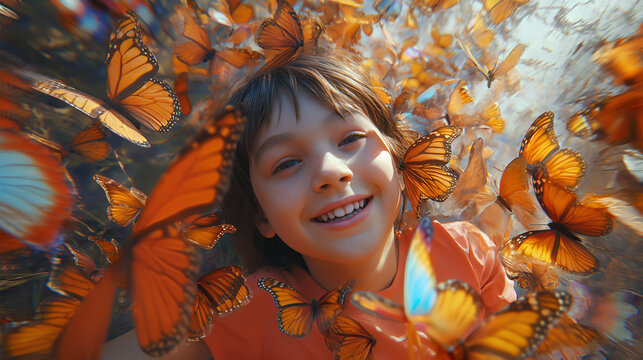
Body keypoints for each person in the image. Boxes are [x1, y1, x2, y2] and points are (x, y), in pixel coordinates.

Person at [102, 49, 515, 359]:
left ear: (400, 160)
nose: (331, 171)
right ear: (261, 214)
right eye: (286, 163)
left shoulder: (468, 250)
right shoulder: (261, 306)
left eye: (351, 139)